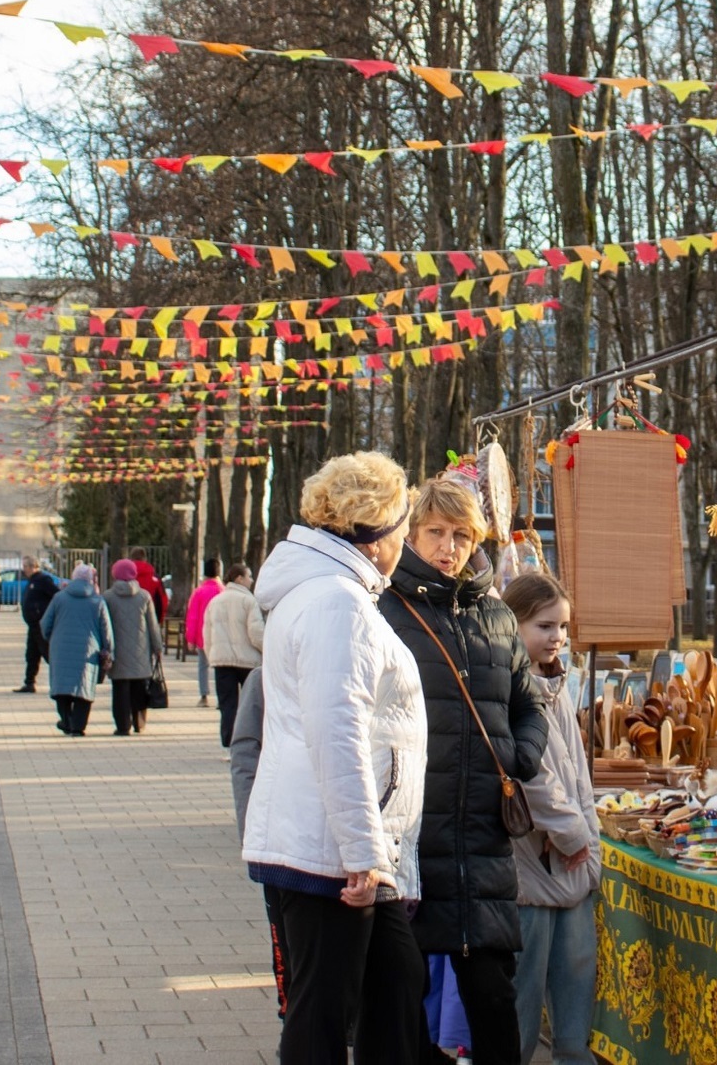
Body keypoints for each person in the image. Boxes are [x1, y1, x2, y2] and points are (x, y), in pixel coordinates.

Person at [242, 452, 427, 1065]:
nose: (406, 541)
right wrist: (362, 855)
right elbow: (337, 729)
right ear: (377, 536)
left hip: (339, 846)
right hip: (332, 852)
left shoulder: (334, 594)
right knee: (325, 1012)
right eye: (403, 528)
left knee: (392, 990)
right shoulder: (336, 604)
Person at [378, 478, 547, 1065]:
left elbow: (530, 705)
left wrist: (516, 757)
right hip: (411, 837)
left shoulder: (496, 616)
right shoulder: (384, 609)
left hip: (482, 839)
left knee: (492, 996)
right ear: (412, 534)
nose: (448, 547)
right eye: (436, 533)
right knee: (401, 997)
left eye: (461, 535)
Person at [502, 574, 598, 1065]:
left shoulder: (556, 685)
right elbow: (533, 775)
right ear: (511, 624)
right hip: (537, 864)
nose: (557, 636)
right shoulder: (513, 687)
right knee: (524, 991)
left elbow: (573, 771)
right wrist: (574, 834)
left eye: (562, 625)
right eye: (544, 625)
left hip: (571, 864)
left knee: (576, 978)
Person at [228, 669, 289, 1021]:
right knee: (286, 941)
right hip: (279, 841)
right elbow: (245, 754)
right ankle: (291, 1014)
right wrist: (252, 827)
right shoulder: (264, 678)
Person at [38, 563, 113, 736]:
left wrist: (53, 639)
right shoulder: (97, 601)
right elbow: (106, 629)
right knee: (83, 688)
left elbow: (45, 624)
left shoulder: (59, 598)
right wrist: (108, 648)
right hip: (88, 651)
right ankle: (78, 726)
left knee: (62, 687)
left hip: (60, 649)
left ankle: (66, 720)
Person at [204, 562, 265, 750]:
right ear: (239, 578)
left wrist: (211, 655)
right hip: (247, 661)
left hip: (222, 660)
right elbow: (256, 632)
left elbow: (207, 632)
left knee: (227, 704)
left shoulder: (215, 601)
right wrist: (267, 650)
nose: (252, 580)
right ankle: (248, 741)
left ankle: (229, 742)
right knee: (250, 705)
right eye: (249, 576)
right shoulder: (249, 601)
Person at [104, 559, 162, 735]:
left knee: (120, 690)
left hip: (118, 651)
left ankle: (122, 726)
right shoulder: (144, 596)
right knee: (139, 688)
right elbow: (152, 625)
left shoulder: (108, 597)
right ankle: (139, 723)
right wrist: (157, 647)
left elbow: (104, 625)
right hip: (140, 650)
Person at [15, 557, 59, 694]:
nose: (24, 569)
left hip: (41, 625)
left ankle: (59, 682)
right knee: (31, 655)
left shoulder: (43, 580)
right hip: (33, 626)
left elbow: (56, 595)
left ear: (33, 566)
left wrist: (42, 612)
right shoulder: (31, 581)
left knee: (48, 654)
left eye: (26, 566)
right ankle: (29, 683)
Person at [185, 558, 223, 708]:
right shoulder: (223, 590)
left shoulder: (199, 591)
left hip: (203, 635)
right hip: (220, 635)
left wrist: (191, 638)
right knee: (220, 668)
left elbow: (193, 616)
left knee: (203, 665)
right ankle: (221, 697)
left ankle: (204, 695)